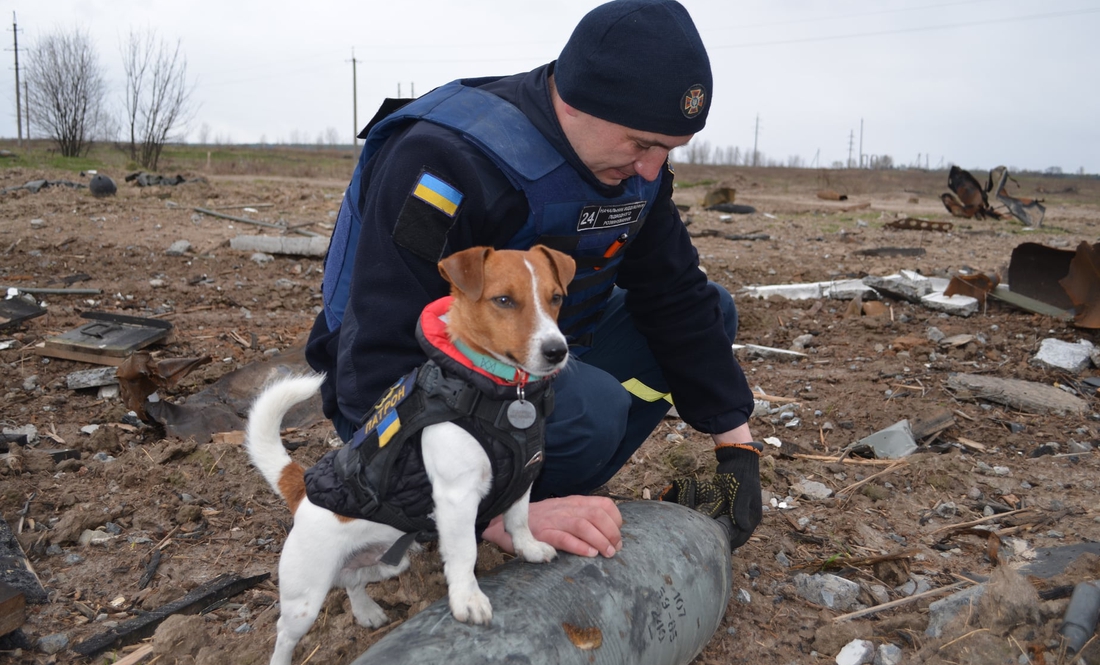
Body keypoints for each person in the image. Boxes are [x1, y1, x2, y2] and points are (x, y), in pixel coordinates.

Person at [306, 0, 762, 559]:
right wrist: (493, 522)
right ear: (576, 102)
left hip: (537, 353)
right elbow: (377, 359)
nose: (651, 168)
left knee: (713, 312)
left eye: (669, 150)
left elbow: (676, 295)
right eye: (642, 144)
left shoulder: (635, 171)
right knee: (593, 412)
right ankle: (482, 499)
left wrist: (738, 453)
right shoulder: (446, 159)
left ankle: (547, 477)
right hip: (409, 389)